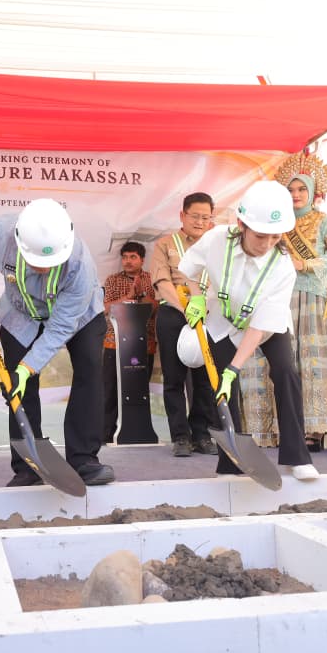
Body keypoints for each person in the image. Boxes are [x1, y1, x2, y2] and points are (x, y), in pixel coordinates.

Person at [0, 198, 115, 487]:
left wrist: (27, 367)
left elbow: (59, 330)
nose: (43, 268)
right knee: (18, 387)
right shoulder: (2, 231)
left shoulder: (80, 266)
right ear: (20, 243)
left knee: (90, 372)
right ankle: (27, 465)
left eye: (50, 262)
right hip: (21, 313)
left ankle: (84, 460)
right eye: (36, 261)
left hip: (77, 316)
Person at [177, 180, 318, 481]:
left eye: (275, 236)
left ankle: (297, 456)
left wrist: (234, 368)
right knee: (223, 390)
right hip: (223, 320)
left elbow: (260, 327)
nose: (267, 244)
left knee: (285, 372)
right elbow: (189, 267)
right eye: (260, 236)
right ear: (241, 224)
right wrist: (197, 296)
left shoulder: (282, 268)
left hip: (266, 326)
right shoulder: (216, 239)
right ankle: (231, 463)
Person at [242, 153, 327, 451]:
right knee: (276, 362)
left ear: (314, 191)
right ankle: (272, 429)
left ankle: (314, 431)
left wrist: (306, 264)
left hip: (313, 297)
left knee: (310, 362)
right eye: (290, 190)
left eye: (302, 189)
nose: (296, 195)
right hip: (278, 296)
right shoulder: (276, 223)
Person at [150, 192, 217, 457]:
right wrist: (186, 308)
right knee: (174, 378)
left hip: (209, 314)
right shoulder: (166, 244)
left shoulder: (217, 246)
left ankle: (202, 434)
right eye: (195, 216)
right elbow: (162, 282)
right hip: (175, 312)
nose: (200, 222)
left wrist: (203, 309)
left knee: (206, 378)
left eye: (205, 217)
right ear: (182, 215)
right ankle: (180, 436)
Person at [102, 241, 158, 442]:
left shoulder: (152, 280)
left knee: (138, 390)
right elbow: (106, 308)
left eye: (133, 257)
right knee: (110, 390)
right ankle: (106, 434)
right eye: (125, 257)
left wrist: (141, 294)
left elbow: (155, 308)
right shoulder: (112, 280)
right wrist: (128, 296)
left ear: (142, 259)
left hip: (144, 345)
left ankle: (138, 433)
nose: (128, 261)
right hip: (114, 344)